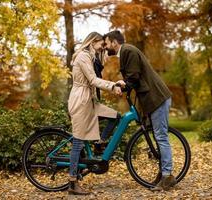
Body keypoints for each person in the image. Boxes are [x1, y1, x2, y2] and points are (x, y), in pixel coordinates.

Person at [103, 30, 176, 191]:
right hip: (153, 98)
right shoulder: (127, 52)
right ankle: (163, 173)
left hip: (157, 97)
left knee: (161, 137)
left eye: (107, 43)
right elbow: (133, 77)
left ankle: (168, 176)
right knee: (158, 136)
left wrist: (125, 85)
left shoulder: (128, 50)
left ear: (115, 42)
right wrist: (124, 83)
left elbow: (134, 77)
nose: (106, 46)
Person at [68, 32, 122, 195]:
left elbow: (100, 66)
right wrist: (113, 86)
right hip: (80, 101)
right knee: (78, 142)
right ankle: (72, 183)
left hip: (90, 100)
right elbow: (92, 80)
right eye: (101, 44)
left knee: (115, 116)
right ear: (93, 42)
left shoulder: (91, 56)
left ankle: (100, 142)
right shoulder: (83, 57)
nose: (103, 47)